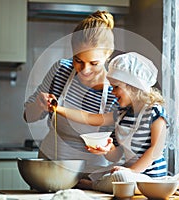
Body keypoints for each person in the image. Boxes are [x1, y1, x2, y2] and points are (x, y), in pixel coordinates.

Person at [23, 10, 119, 185]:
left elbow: (116, 154)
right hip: (51, 166)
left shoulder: (116, 91)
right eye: (78, 60)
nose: (85, 70)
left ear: (107, 55)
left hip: (92, 175)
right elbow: (28, 116)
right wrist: (39, 105)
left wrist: (108, 149)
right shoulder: (60, 70)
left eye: (94, 63)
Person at [53, 52, 169, 193]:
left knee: (120, 177)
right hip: (128, 174)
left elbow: (155, 150)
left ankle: (94, 185)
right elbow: (91, 119)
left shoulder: (154, 112)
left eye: (116, 87)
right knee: (108, 174)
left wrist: (131, 171)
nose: (112, 92)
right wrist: (107, 149)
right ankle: (103, 183)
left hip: (152, 179)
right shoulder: (121, 114)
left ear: (133, 86)